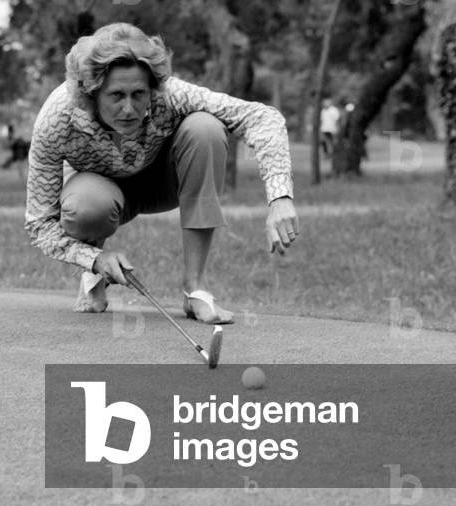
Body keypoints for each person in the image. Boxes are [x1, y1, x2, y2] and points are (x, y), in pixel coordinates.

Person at [24, 22, 299, 318]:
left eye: (138, 94)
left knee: (205, 128)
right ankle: (95, 277)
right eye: (116, 96)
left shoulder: (169, 93)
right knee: (85, 207)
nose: (129, 108)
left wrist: (280, 197)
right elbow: (40, 224)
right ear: (92, 93)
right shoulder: (57, 119)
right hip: (100, 193)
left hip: (163, 183)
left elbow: (263, 118)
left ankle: (195, 290)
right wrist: (92, 258)